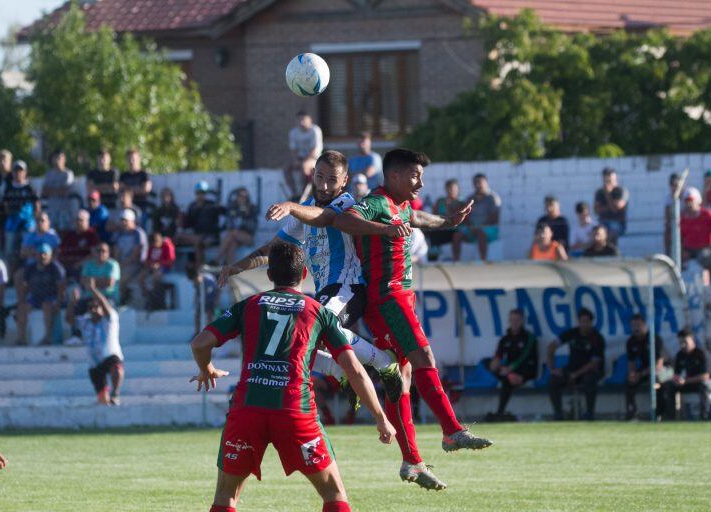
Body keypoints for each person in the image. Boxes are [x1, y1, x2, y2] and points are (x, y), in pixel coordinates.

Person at [189, 242, 395, 512]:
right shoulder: (318, 312)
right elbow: (354, 369)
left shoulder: (248, 305)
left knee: (226, 496)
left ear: (270, 275)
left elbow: (200, 343)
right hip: (294, 411)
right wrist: (381, 418)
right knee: (334, 494)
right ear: (305, 274)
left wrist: (206, 369)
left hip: (248, 409)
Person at [330, 148, 492, 488]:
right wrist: (382, 230)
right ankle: (451, 431)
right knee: (424, 357)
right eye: (415, 176)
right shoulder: (377, 202)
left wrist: (447, 222)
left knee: (401, 375)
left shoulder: (401, 205)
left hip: (399, 296)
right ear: (395, 176)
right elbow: (343, 220)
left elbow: (418, 219)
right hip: (387, 297)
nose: (420, 183)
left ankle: (412, 462)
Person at [222, 151, 403, 420]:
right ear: (313, 176)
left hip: (348, 287)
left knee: (317, 330)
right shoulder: (305, 211)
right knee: (294, 340)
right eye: (320, 177)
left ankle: (384, 363)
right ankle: (339, 371)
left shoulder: (345, 203)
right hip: (325, 293)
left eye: (332, 179)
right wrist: (238, 265)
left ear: (344, 181)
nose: (325, 185)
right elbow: (274, 248)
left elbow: (323, 218)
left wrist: (291, 205)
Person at [547, 308, 605, 420]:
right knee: (553, 380)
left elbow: (593, 363)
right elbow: (551, 347)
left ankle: (589, 413)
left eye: (587, 321)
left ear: (591, 322)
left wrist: (575, 374)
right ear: (578, 322)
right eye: (582, 321)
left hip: (590, 371)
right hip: (572, 370)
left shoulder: (597, 338)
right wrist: (553, 368)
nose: (584, 324)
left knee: (589, 380)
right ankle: (558, 414)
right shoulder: (571, 333)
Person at [486, 309, 538, 419]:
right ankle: (499, 413)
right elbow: (498, 355)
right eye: (512, 320)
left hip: (526, 371)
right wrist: (495, 363)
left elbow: (524, 357)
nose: (514, 322)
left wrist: (510, 369)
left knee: (506, 381)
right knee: (486, 363)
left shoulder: (529, 338)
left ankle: (500, 413)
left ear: (522, 321)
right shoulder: (505, 339)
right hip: (509, 372)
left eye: (517, 320)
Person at [80, 278, 124, 405]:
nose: (93, 309)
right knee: (102, 399)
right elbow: (70, 318)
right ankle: (105, 402)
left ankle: (115, 394)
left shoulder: (110, 320)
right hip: (94, 363)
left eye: (96, 306)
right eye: (90, 307)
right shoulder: (86, 322)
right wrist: (73, 302)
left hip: (109, 357)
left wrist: (93, 290)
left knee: (116, 366)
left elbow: (104, 304)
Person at [17, 243, 66, 346]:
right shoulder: (30, 268)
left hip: (51, 297)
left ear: (50, 255)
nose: (42, 256)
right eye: (40, 254)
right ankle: (21, 339)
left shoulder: (55, 268)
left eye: (45, 254)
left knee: (46, 305)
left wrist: (59, 302)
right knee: (22, 308)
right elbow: (25, 285)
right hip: (35, 298)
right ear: (36, 255)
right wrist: (22, 299)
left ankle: (47, 337)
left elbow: (61, 287)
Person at [662, 329, 710, 420]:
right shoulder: (680, 355)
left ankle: (705, 416)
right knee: (669, 386)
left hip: (696, 383)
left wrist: (686, 381)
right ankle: (671, 417)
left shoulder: (701, 354)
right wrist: (675, 379)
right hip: (684, 384)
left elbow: (705, 376)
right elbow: (676, 373)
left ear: (692, 341)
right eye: (680, 343)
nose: (683, 345)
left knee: (704, 386)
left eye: (685, 342)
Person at [452, 173, 500, 261]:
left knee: (481, 233)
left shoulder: (493, 198)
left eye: (480, 182)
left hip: (489, 229)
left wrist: (479, 228)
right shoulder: (470, 198)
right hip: (472, 229)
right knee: (457, 235)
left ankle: (483, 261)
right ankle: (456, 261)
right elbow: (466, 216)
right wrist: (471, 226)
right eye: (475, 182)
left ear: (486, 182)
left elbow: (494, 219)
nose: (477, 185)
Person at [624, 313, 664, 420]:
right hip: (644, 370)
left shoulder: (654, 339)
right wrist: (633, 374)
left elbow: (658, 365)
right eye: (633, 326)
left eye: (638, 325)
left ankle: (659, 414)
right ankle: (631, 413)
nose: (636, 328)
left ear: (645, 325)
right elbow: (631, 362)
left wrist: (640, 374)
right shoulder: (631, 342)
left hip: (662, 370)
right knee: (629, 382)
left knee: (657, 383)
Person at [680, 187, 711, 275]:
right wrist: (683, 250)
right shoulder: (682, 218)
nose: (689, 204)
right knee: (683, 264)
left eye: (691, 201)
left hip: (705, 247)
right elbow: (680, 236)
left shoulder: (706, 214)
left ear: (698, 201)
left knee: (704, 258)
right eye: (686, 201)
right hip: (689, 249)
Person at [1, 160, 39, 266]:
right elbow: (5, 205)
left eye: (20, 170)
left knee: (27, 250)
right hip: (12, 224)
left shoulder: (29, 187)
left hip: (27, 224)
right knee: (10, 252)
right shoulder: (9, 188)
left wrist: (33, 218)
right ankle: (12, 276)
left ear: (25, 172)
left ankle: (27, 273)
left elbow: (37, 204)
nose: (18, 173)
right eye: (16, 170)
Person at [178, 181, 221, 266]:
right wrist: (181, 219)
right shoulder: (192, 206)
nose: (200, 195)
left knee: (198, 242)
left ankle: (200, 268)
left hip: (209, 236)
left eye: (203, 193)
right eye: (198, 193)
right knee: (180, 237)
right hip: (196, 235)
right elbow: (188, 225)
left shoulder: (211, 206)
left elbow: (213, 224)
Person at [214, 187, 257, 266]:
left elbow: (252, 227)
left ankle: (216, 260)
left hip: (248, 237)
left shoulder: (251, 208)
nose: (242, 198)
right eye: (239, 196)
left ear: (247, 198)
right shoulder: (233, 208)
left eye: (244, 196)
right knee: (232, 244)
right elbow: (229, 224)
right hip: (235, 237)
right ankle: (229, 270)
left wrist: (245, 216)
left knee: (233, 233)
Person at [285, 110, 323, 197]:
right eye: (299, 120)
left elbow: (314, 150)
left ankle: (304, 192)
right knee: (287, 169)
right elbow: (293, 150)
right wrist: (296, 160)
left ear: (310, 120)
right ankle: (294, 193)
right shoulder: (293, 132)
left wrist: (303, 161)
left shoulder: (315, 130)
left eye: (304, 120)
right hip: (300, 158)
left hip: (315, 159)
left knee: (304, 166)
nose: (301, 122)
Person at [113, 208, 147, 304]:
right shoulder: (119, 234)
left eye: (126, 221)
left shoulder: (138, 233)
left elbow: (136, 255)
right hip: (123, 264)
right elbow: (117, 252)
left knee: (120, 278)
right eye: (122, 220)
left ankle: (120, 301)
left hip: (136, 265)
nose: (123, 223)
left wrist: (122, 265)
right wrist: (117, 265)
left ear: (133, 221)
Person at [426, 179, 463, 260]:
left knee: (457, 235)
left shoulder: (461, 202)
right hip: (441, 228)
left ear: (457, 189)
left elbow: (455, 218)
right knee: (428, 231)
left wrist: (449, 207)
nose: (450, 191)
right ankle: (432, 257)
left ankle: (456, 260)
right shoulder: (440, 201)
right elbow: (433, 215)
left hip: (454, 230)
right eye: (448, 188)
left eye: (452, 188)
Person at [40, 149, 76, 232]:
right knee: (50, 231)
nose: (57, 160)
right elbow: (44, 191)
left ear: (64, 159)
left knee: (63, 232)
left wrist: (52, 191)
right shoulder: (49, 174)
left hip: (64, 209)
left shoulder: (68, 173)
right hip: (51, 209)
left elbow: (64, 192)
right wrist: (57, 190)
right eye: (55, 158)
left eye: (59, 158)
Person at [59, 209, 100, 281]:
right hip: (67, 265)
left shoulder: (92, 235)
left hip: (83, 267)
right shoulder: (69, 235)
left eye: (81, 220)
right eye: (77, 220)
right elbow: (61, 250)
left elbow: (94, 254)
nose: (78, 222)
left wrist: (80, 263)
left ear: (87, 221)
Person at [138, 231, 175, 310]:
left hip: (165, 267)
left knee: (155, 277)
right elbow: (147, 259)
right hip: (152, 267)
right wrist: (150, 264)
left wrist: (159, 264)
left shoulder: (167, 245)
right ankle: (147, 295)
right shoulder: (151, 247)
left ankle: (154, 298)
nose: (155, 246)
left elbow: (170, 260)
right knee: (141, 277)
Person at [594, 167, 629, 244]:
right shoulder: (599, 192)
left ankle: (611, 252)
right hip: (602, 222)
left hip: (618, 223)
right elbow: (596, 211)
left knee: (609, 230)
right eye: (606, 180)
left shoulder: (621, 191)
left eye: (610, 180)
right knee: (594, 232)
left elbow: (615, 209)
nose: (608, 183)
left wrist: (608, 194)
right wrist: (609, 207)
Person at [664, 173, 682, 256]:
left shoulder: (688, 194)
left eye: (676, 185)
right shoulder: (669, 198)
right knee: (667, 232)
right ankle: (669, 258)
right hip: (675, 223)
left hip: (688, 223)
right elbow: (667, 216)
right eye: (672, 185)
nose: (674, 187)